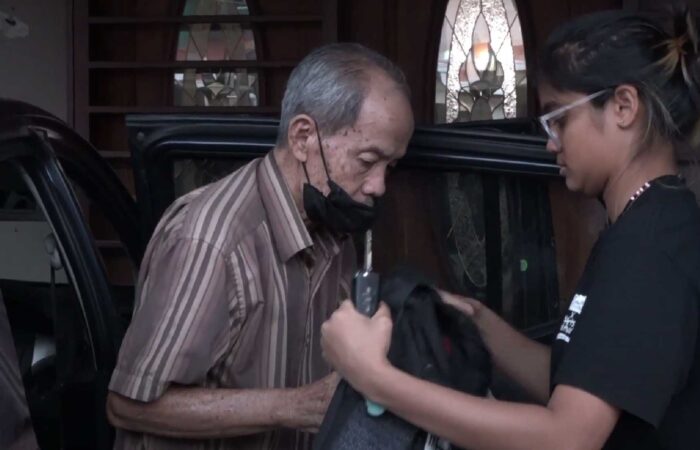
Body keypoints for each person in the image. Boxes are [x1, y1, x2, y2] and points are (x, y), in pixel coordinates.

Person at [321, 9, 700, 450]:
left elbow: (568, 436)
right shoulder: (646, 224)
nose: (551, 142)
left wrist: (374, 377)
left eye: (559, 119)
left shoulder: (649, 249)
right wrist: (477, 322)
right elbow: (581, 383)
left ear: (623, 107)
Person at [106, 43, 414, 450]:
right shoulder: (210, 241)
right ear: (303, 138)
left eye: (390, 167)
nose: (378, 186)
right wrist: (295, 407)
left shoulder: (334, 227)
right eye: (368, 161)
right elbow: (127, 406)